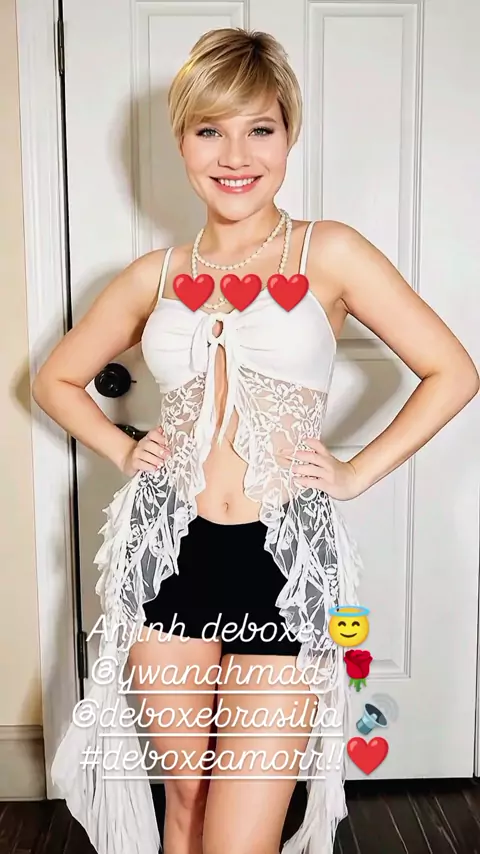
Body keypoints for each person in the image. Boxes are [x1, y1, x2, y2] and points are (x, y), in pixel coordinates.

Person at [32, 26, 478, 854]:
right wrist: (124, 451)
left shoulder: (329, 251)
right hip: (165, 559)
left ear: (289, 134)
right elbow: (55, 379)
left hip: (284, 568)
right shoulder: (156, 275)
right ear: (182, 141)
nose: (235, 155)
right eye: (210, 130)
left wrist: (355, 472)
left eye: (259, 129)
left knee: (240, 837)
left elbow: (453, 370)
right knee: (188, 806)